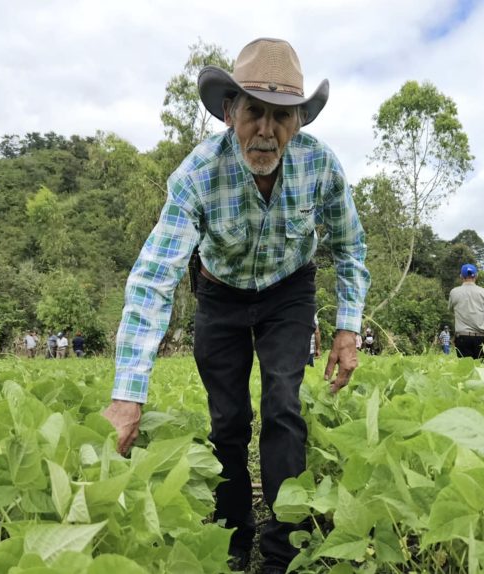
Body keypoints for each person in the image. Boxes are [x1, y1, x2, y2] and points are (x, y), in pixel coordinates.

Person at [103, 38, 370, 574]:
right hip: (219, 293)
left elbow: (350, 245)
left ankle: (282, 548)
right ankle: (232, 537)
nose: (266, 131)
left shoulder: (320, 166)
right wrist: (127, 395)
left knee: (282, 406)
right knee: (227, 418)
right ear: (230, 112)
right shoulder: (198, 174)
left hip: (289, 289)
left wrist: (347, 329)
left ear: (298, 121)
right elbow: (154, 278)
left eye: (281, 116)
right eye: (254, 112)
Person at [448, 263, 484, 359]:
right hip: (481, 338)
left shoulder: (454, 292)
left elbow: (451, 310)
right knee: (480, 369)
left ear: (461, 276)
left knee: (465, 371)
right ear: (476, 276)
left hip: (462, 337)